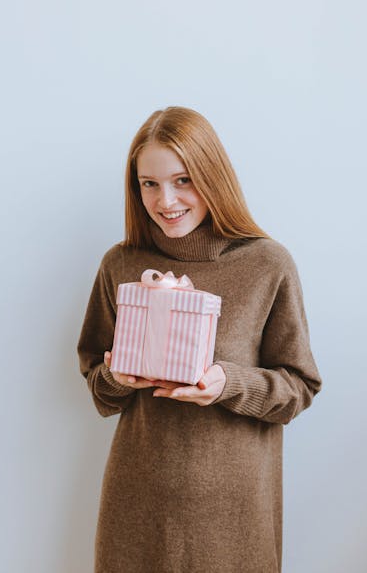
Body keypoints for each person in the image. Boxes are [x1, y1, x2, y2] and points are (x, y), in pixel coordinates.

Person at [77, 105, 323, 573]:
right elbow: (97, 382)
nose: (165, 200)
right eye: (149, 183)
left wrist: (225, 383)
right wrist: (116, 376)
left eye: (182, 180)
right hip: (137, 505)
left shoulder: (267, 264)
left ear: (213, 176)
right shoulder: (121, 264)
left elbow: (299, 388)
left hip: (233, 517)